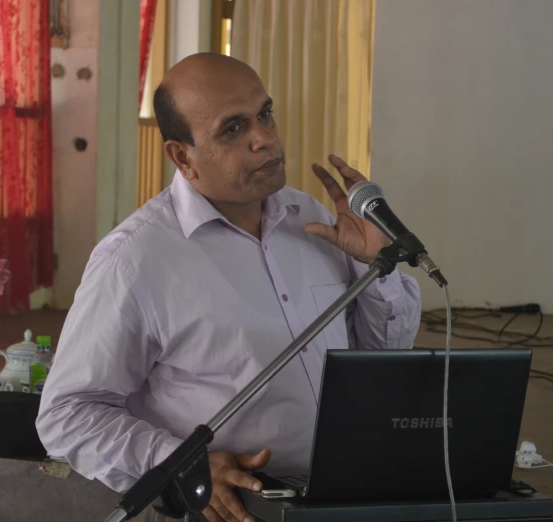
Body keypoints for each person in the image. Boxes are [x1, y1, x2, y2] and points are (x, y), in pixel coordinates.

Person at [37, 53, 421, 522]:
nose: (264, 139)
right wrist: (178, 462)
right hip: (233, 510)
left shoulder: (316, 221)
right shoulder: (135, 260)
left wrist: (374, 268)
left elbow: (382, 356)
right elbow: (68, 413)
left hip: (345, 495)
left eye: (264, 114)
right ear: (182, 156)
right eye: (233, 130)